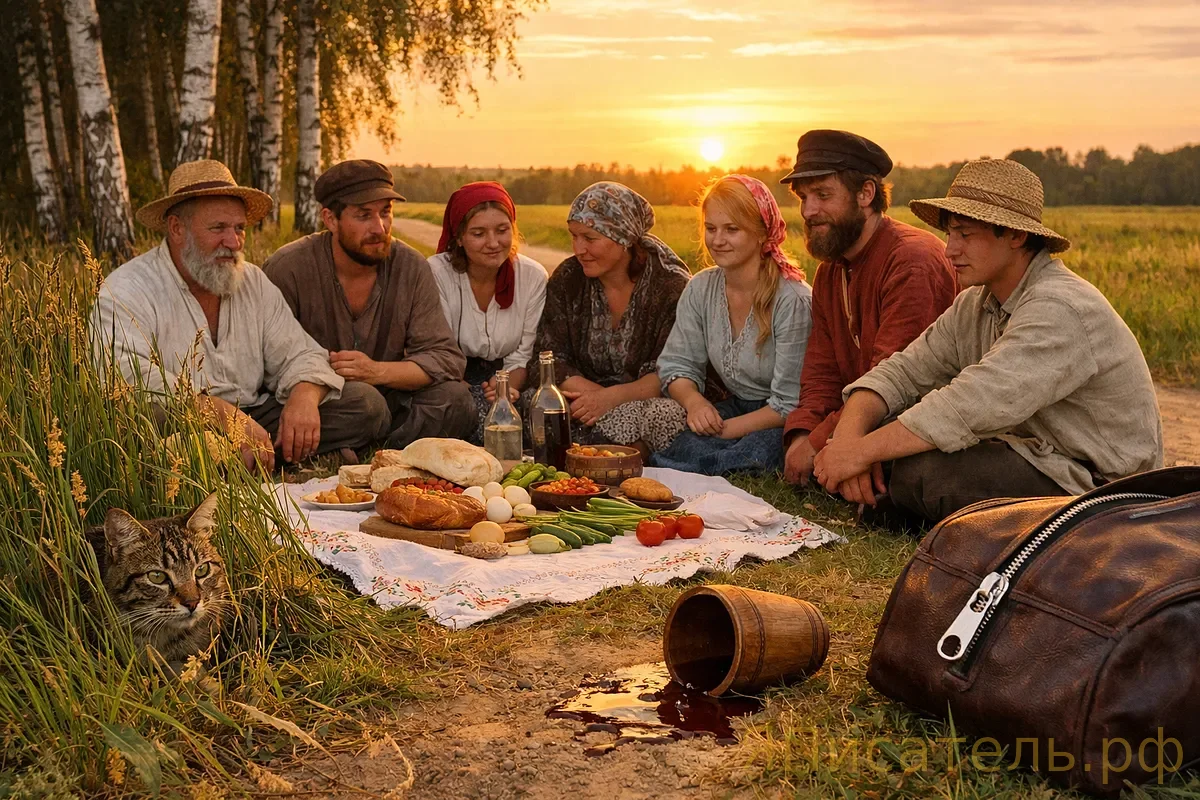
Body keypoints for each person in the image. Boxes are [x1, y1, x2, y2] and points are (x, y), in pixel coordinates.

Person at [813, 158, 1163, 523]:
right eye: (950, 235)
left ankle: (907, 506)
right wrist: (850, 440)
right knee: (899, 442)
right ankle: (906, 504)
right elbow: (903, 370)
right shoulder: (977, 303)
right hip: (1034, 456)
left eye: (965, 235)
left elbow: (967, 404)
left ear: (1015, 235)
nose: (950, 250)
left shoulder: (1059, 307)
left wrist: (862, 453)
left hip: (1099, 485)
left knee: (926, 472)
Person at [92, 160, 388, 471]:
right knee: (150, 422)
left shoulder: (252, 281)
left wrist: (305, 394)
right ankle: (267, 460)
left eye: (239, 228)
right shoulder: (126, 288)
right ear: (177, 228)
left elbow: (298, 352)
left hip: (256, 418)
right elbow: (124, 376)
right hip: (186, 420)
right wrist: (216, 412)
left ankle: (248, 459)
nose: (233, 243)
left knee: (366, 404)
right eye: (218, 228)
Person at [778, 130, 958, 488]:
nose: (809, 211)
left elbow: (897, 384)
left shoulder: (911, 262)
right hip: (854, 428)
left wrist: (824, 446)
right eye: (804, 197)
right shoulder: (832, 268)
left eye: (823, 195)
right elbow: (822, 370)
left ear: (865, 193)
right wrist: (802, 435)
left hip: (914, 431)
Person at [263, 160, 475, 449]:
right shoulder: (288, 268)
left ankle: (381, 452)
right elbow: (267, 363)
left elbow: (444, 358)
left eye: (385, 212)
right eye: (363, 215)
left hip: (389, 397)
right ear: (330, 219)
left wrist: (376, 371)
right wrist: (314, 386)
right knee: (365, 404)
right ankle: (364, 445)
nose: (379, 227)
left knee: (456, 400)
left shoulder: (410, 266)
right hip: (324, 402)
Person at [632, 175, 813, 475]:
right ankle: (695, 466)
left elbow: (787, 404)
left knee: (757, 450)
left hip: (779, 417)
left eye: (732, 229)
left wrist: (725, 431)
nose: (718, 240)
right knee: (684, 442)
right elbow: (676, 364)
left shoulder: (791, 299)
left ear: (760, 233)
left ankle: (709, 467)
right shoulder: (701, 288)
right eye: (711, 228)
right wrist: (696, 403)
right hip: (733, 406)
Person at [523, 182, 690, 445]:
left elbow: (672, 371)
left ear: (623, 238)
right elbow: (548, 358)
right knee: (535, 401)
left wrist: (611, 399)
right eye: (573, 236)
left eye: (590, 238)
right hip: (580, 399)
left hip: (640, 401)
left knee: (666, 414)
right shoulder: (569, 278)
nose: (579, 249)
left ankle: (611, 455)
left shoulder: (670, 286)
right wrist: (594, 397)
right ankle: (602, 451)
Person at [428, 182, 547, 443]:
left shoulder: (532, 277)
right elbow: (440, 351)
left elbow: (523, 353)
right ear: (459, 237)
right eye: (479, 234)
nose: (493, 243)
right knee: (477, 416)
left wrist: (507, 386)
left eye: (502, 231)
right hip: (452, 378)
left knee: (536, 416)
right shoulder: (438, 273)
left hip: (511, 376)